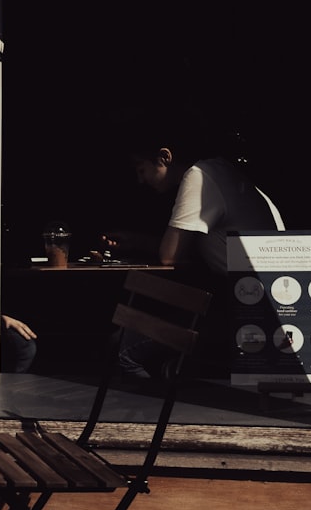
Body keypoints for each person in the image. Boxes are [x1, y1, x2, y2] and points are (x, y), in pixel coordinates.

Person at [103, 131, 286, 379]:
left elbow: (170, 256)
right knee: (125, 336)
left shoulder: (199, 177)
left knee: (123, 350)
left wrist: (142, 244)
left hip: (245, 307)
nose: (140, 180)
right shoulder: (222, 170)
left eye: (141, 169)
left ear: (164, 157)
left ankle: (152, 410)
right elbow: (187, 249)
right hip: (261, 301)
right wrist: (136, 241)